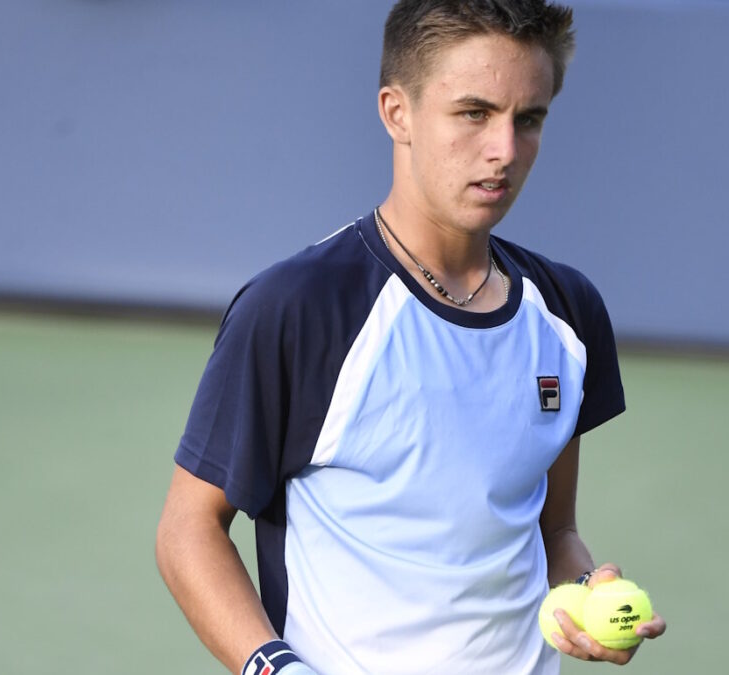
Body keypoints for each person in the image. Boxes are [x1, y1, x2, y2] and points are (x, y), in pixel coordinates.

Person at [155, 1, 666, 673]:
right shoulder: (298, 308)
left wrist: (580, 594)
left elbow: (554, 529)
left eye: (529, 119)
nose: (504, 150)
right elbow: (186, 530)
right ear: (397, 112)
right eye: (474, 113)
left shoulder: (567, 315)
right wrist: (274, 666)